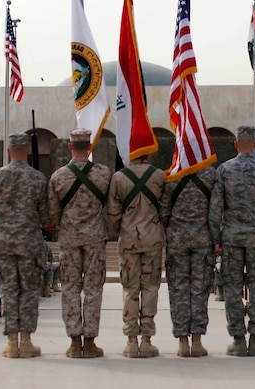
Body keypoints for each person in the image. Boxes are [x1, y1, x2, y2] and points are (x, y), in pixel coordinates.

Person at [208, 125, 255, 357]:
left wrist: (215, 238)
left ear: (235, 144)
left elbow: (215, 209)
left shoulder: (224, 170)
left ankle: (238, 340)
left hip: (231, 238)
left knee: (232, 289)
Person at [0, 132, 49, 359]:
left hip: (4, 245)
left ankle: (11, 343)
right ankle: (26, 341)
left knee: (8, 290)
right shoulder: (38, 179)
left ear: (9, 151)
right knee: (29, 291)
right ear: (27, 150)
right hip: (30, 245)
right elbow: (47, 217)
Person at [47, 128, 112, 359]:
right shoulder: (104, 174)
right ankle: (91, 342)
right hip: (95, 237)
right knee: (93, 289)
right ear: (90, 146)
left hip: (70, 238)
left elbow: (53, 214)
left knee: (70, 288)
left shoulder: (58, 176)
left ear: (70, 146)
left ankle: (75, 342)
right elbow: (109, 206)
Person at [106, 151, 165, 358]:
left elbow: (113, 212)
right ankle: (147, 340)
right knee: (150, 288)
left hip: (129, 239)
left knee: (130, 289)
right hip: (153, 240)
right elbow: (164, 210)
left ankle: (131, 341)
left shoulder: (119, 177)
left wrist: (122, 229)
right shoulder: (159, 175)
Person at [160, 163, 216, 357]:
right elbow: (215, 211)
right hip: (203, 238)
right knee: (200, 289)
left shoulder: (172, 174)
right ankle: (198, 341)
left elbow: (164, 211)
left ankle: (183, 342)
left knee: (178, 289)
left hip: (177, 240)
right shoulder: (210, 173)